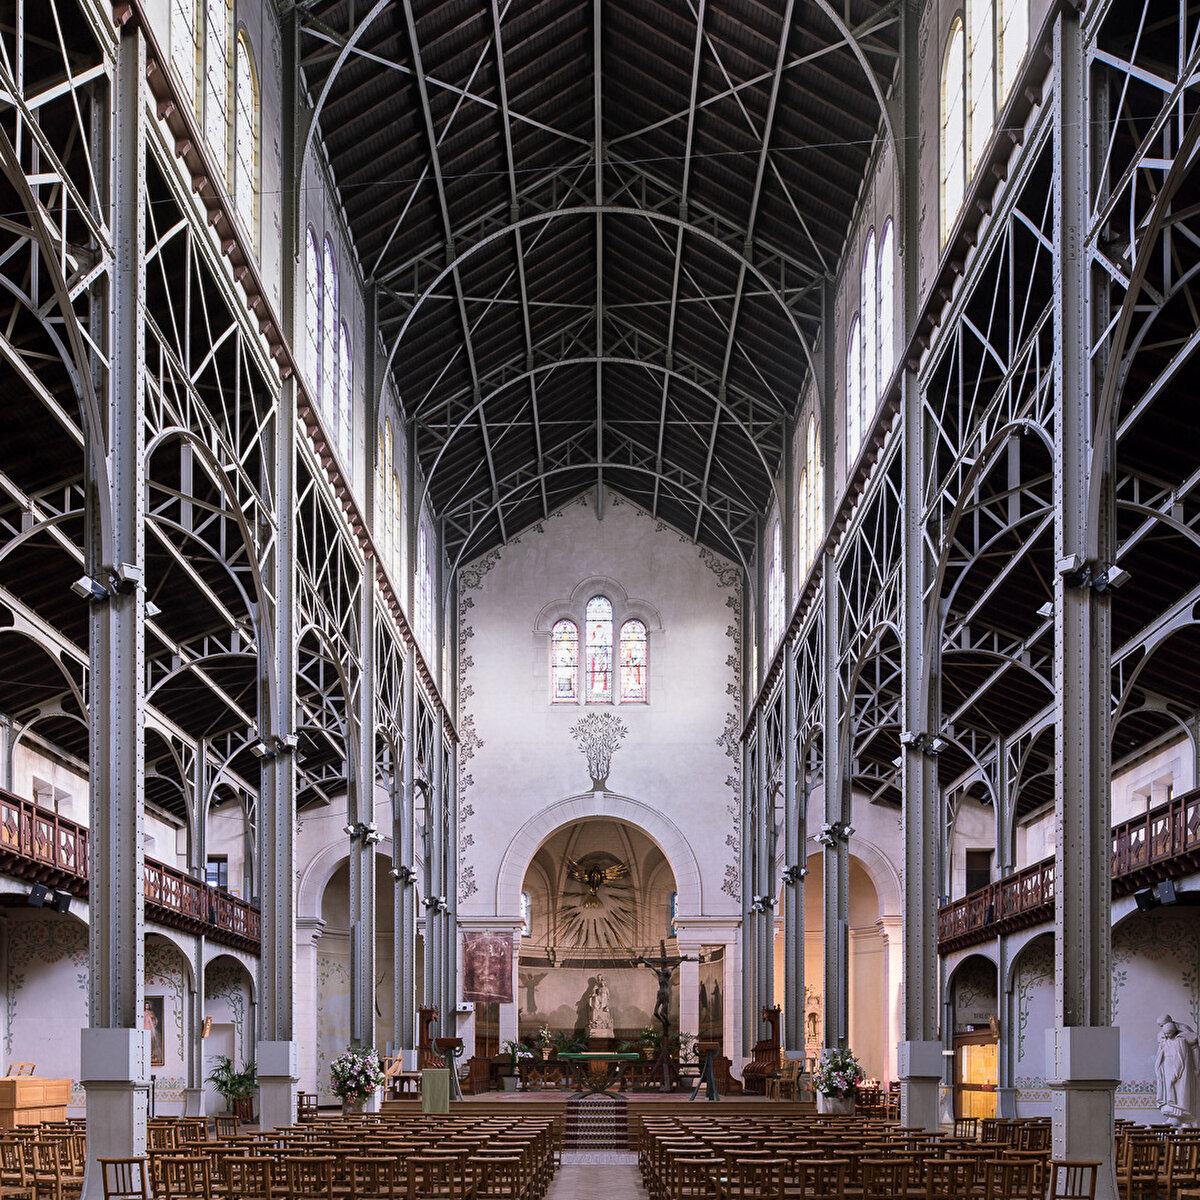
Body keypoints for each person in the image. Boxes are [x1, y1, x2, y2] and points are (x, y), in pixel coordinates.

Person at [1156, 1013, 1200, 1126]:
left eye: (1164, 1026)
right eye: (1161, 1027)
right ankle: (1174, 1116)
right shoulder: (1162, 1035)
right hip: (1168, 1064)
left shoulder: (1183, 1032)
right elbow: (1161, 1049)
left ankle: (1185, 1118)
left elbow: (1194, 1045)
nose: (1164, 1034)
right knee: (1169, 1089)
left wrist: (1197, 1066)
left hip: (1185, 1066)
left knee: (1182, 1091)